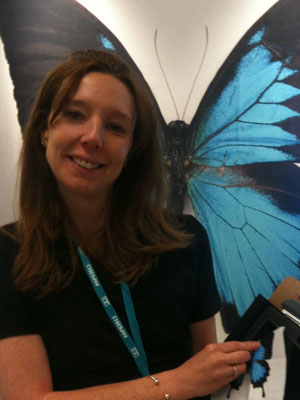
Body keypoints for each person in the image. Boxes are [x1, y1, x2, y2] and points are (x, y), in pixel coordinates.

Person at [0, 49, 259, 400]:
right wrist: (173, 384)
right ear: (45, 130)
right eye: (75, 115)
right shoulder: (7, 254)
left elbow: (205, 375)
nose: (94, 137)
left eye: (116, 126)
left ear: (131, 148)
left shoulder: (186, 240)